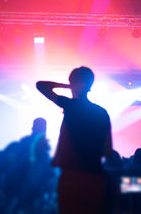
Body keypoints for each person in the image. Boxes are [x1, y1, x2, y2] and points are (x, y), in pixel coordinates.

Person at [36, 66, 113, 214]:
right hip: (96, 177)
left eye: (72, 82)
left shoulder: (71, 106)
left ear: (77, 84)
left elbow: (41, 85)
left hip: (72, 177)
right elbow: (108, 151)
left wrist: (68, 86)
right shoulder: (102, 113)